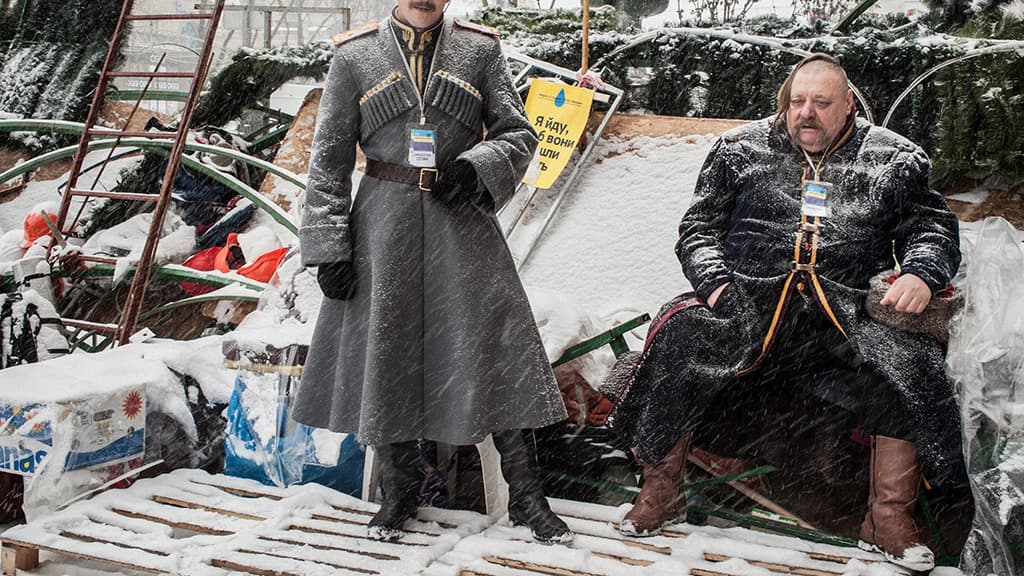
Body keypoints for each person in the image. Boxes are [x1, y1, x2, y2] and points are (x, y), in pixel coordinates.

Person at [609, 53, 964, 571]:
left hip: (843, 315)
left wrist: (920, 273)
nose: (806, 114)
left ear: (848, 107)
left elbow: (931, 229)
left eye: (821, 103)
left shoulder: (895, 160)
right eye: (797, 102)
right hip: (747, 306)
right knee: (680, 334)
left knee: (909, 360)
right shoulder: (739, 150)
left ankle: (886, 520)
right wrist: (715, 287)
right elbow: (699, 229)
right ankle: (661, 493)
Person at [293, 0, 573, 545]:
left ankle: (528, 498)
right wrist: (329, 247)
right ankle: (399, 493)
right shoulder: (353, 56)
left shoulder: (481, 48)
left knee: (496, 348)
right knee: (387, 350)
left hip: (461, 226)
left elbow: (518, 135)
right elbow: (326, 160)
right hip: (381, 228)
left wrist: (477, 167)